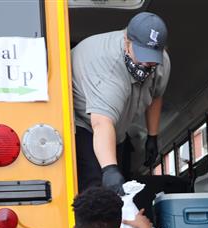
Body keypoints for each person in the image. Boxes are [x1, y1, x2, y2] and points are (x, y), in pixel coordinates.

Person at [72, 12, 171, 195]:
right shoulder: (108, 68)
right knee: (97, 183)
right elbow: (102, 123)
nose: (146, 62)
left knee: (121, 187)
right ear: (127, 41)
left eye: (152, 58)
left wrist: (152, 136)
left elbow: (156, 95)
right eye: (142, 54)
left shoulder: (160, 62)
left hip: (117, 130)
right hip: (84, 124)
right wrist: (109, 169)